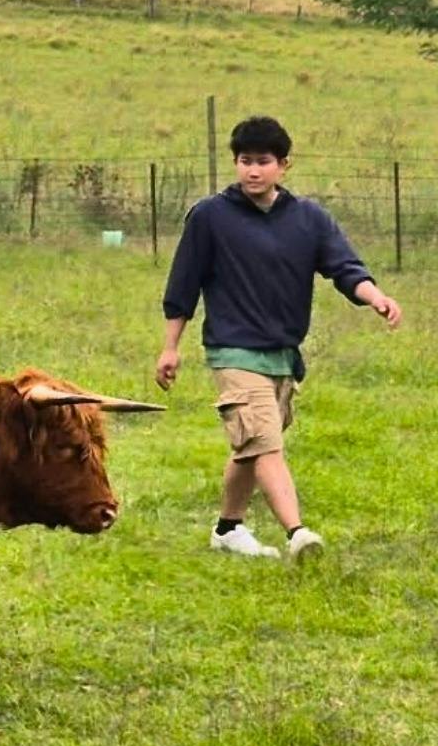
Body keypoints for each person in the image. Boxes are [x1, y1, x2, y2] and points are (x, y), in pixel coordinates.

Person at [156, 115, 402, 561]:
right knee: (266, 442)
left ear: (284, 165)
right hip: (231, 350)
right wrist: (170, 347)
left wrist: (375, 296)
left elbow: (344, 267)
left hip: (283, 355)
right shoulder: (210, 216)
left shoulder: (308, 218)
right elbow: (183, 285)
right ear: (235, 163)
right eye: (245, 161)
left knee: (252, 445)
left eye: (263, 162)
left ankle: (228, 529)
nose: (253, 170)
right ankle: (297, 532)